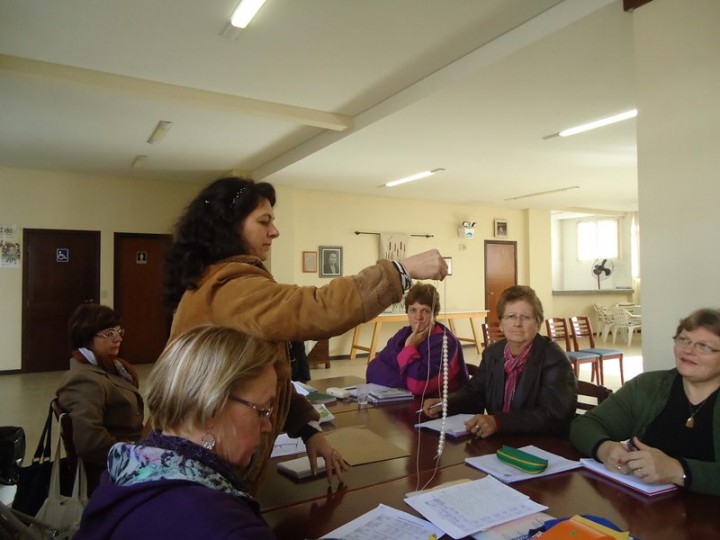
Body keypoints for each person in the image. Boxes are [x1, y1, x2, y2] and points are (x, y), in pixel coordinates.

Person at [163, 176, 447, 492]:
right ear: (229, 228)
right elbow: (318, 308)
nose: (275, 231)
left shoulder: (220, 281)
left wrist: (308, 429)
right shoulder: (230, 288)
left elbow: (270, 379)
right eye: (264, 221)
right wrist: (400, 271)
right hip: (205, 469)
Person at [74, 326, 280, 539]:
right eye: (263, 410)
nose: (268, 426)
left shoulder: (130, 471)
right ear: (211, 407)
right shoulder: (226, 527)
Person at [570, 308, 720, 496]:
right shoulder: (648, 386)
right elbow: (585, 425)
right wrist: (605, 448)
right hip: (645, 512)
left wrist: (678, 471)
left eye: (704, 346)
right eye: (684, 340)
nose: (688, 350)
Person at [421, 285, 576, 437]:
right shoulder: (493, 354)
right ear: (501, 324)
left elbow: (553, 414)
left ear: (538, 323)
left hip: (544, 446)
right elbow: (474, 393)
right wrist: (446, 403)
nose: (517, 323)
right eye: (510, 317)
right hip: (501, 441)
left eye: (526, 317)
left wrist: (499, 422)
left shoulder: (554, 359)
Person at [56, 304, 144, 494]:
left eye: (119, 331)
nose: (118, 338)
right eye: (109, 333)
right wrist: (137, 455)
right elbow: (89, 442)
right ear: (87, 339)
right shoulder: (84, 379)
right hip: (112, 472)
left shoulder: (112, 367)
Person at [366, 283, 469, 396]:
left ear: (435, 314)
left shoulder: (445, 342)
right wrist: (405, 383)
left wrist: (409, 347)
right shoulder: (403, 334)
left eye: (425, 311)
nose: (418, 317)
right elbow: (372, 369)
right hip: (406, 403)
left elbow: (418, 386)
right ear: (407, 312)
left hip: (438, 409)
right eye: (413, 310)